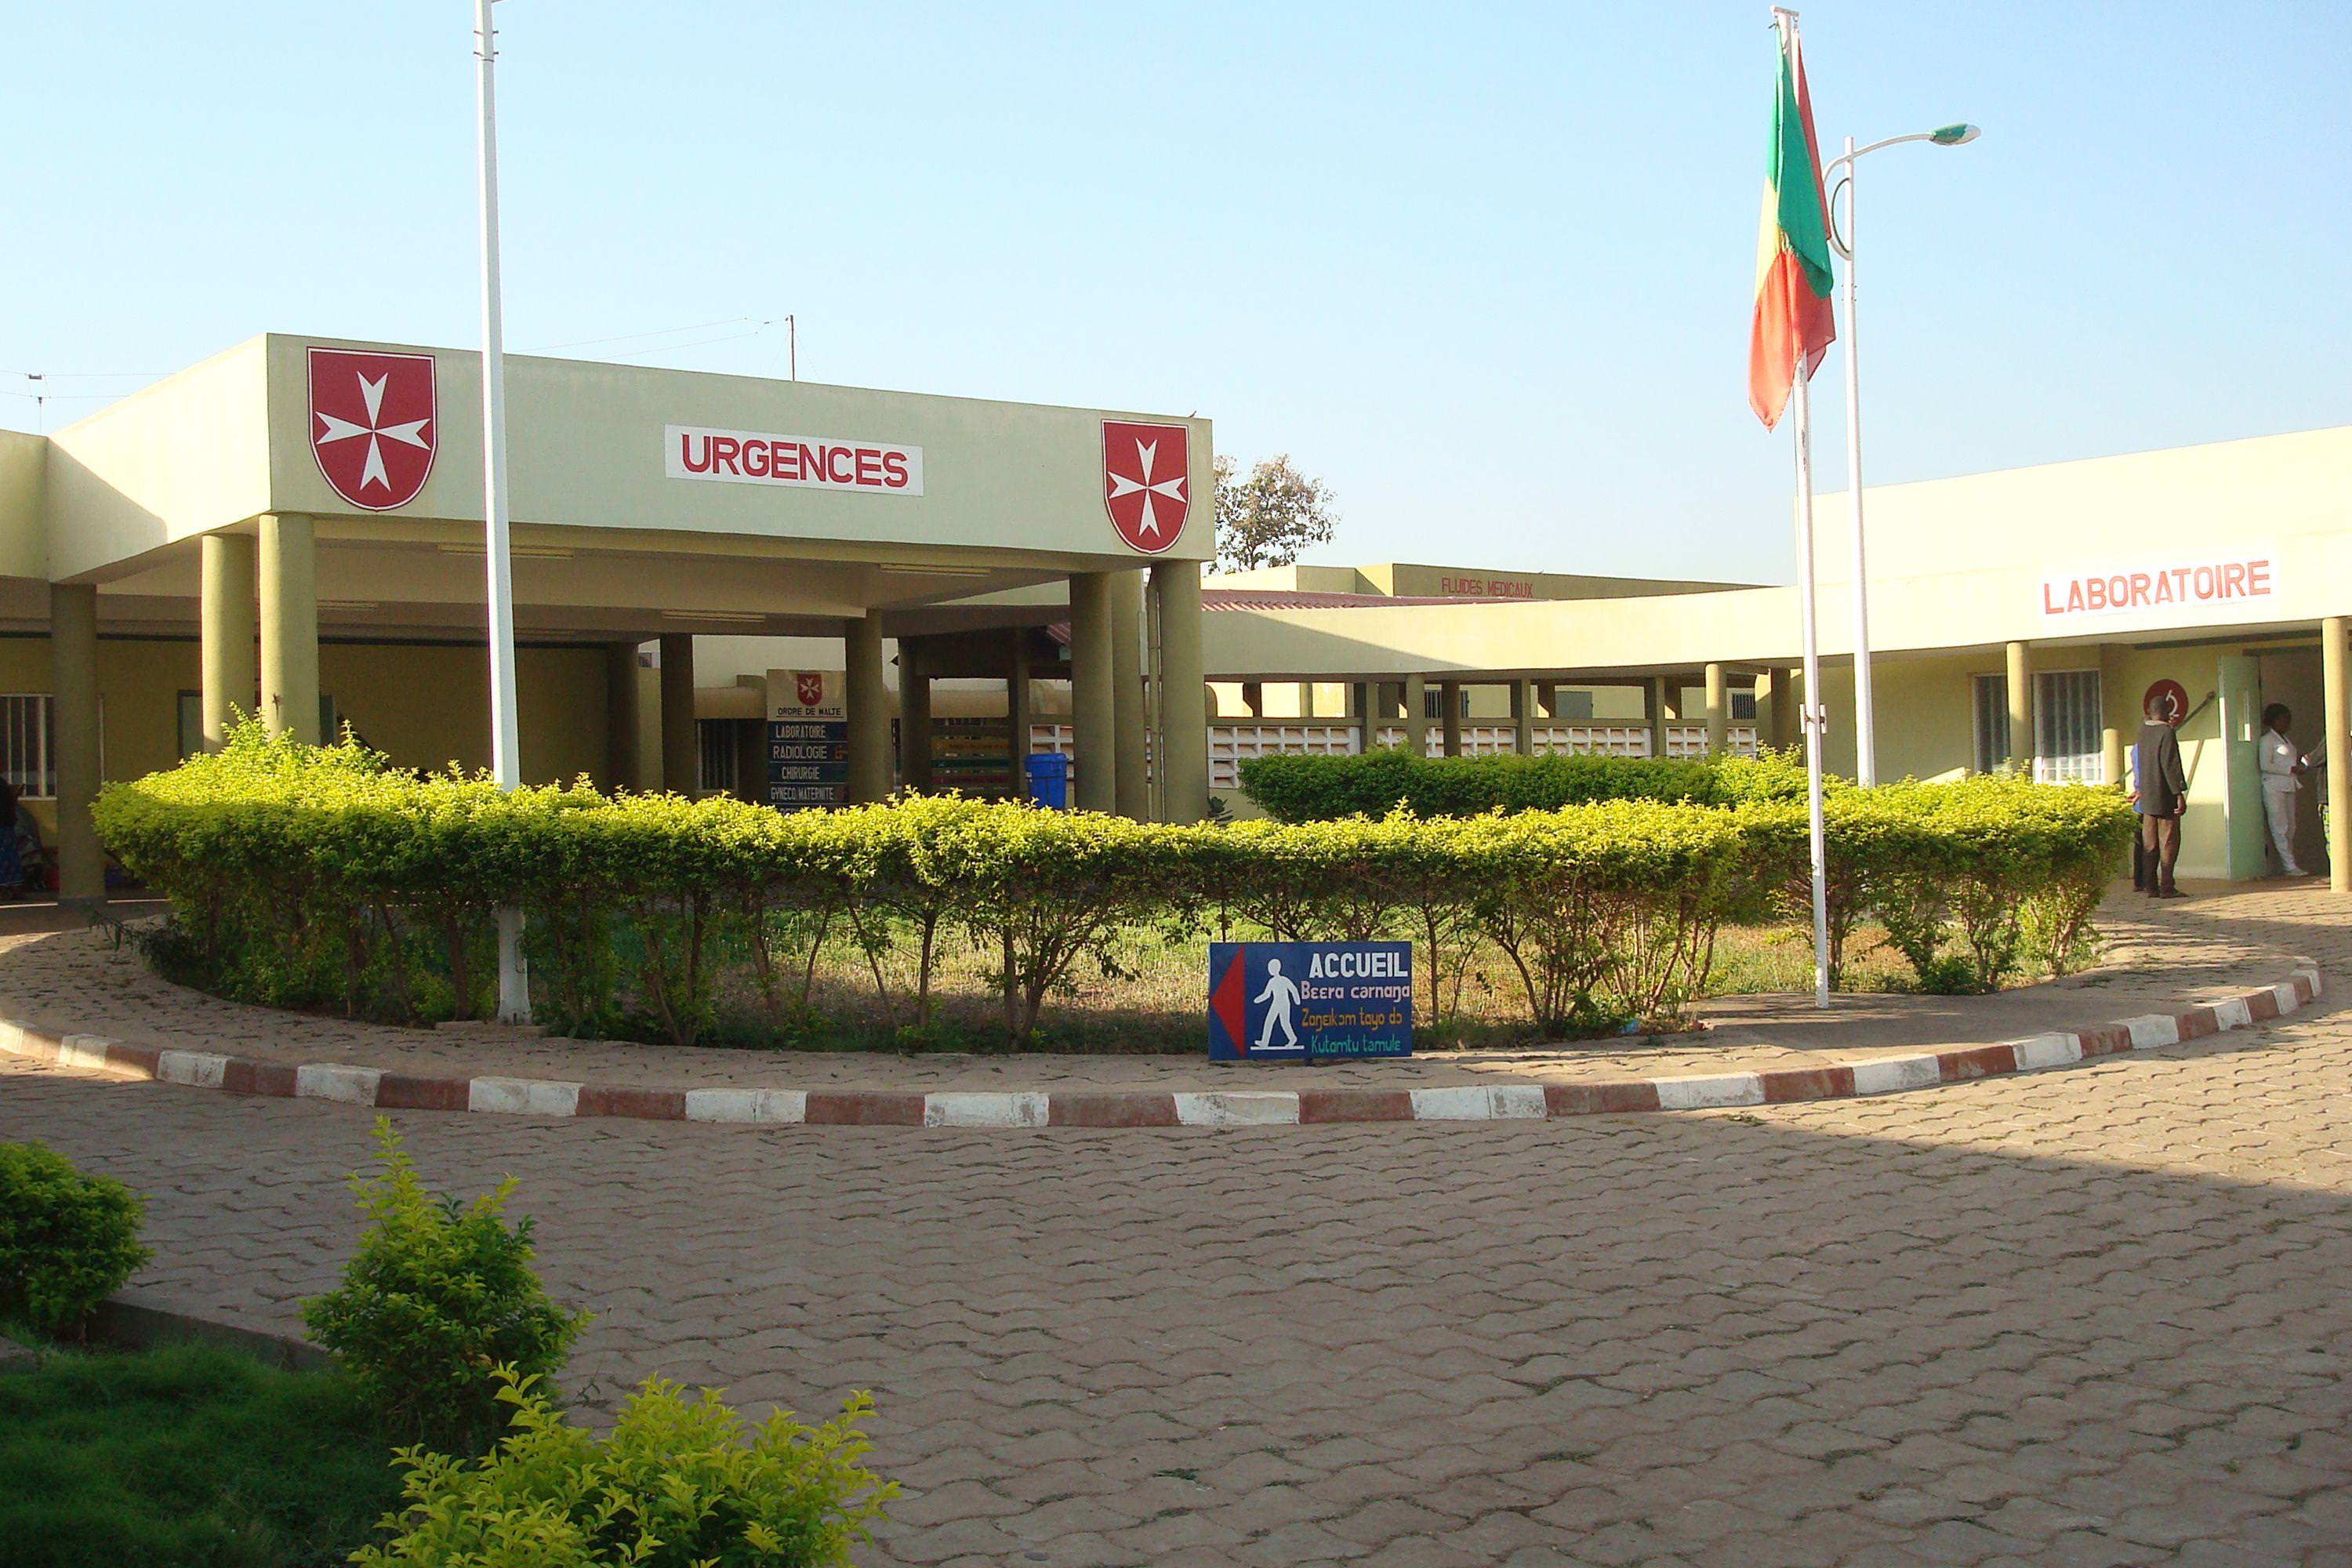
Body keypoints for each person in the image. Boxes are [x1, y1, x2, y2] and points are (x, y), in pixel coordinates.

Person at [2135, 694, 2190, 898]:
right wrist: (2179, 793)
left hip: (2147, 795)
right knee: (2168, 841)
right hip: (2164, 795)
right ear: (2167, 713)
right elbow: (2171, 765)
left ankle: (2150, 886)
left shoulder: (2142, 731)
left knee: (2150, 844)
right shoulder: (2167, 733)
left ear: (2149, 711)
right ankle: (2167, 886)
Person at [2257, 703, 2307, 877]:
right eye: (2284, 720)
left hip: (2289, 785)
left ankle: (2290, 862)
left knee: (2291, 827)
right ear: (2274, 720)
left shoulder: (2286, 740)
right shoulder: (2267, 740)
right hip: (2274, 786)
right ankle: (2289, 865)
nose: (2287, 723)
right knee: (2280, 826)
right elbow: (2265, 765)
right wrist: (2290, 770)